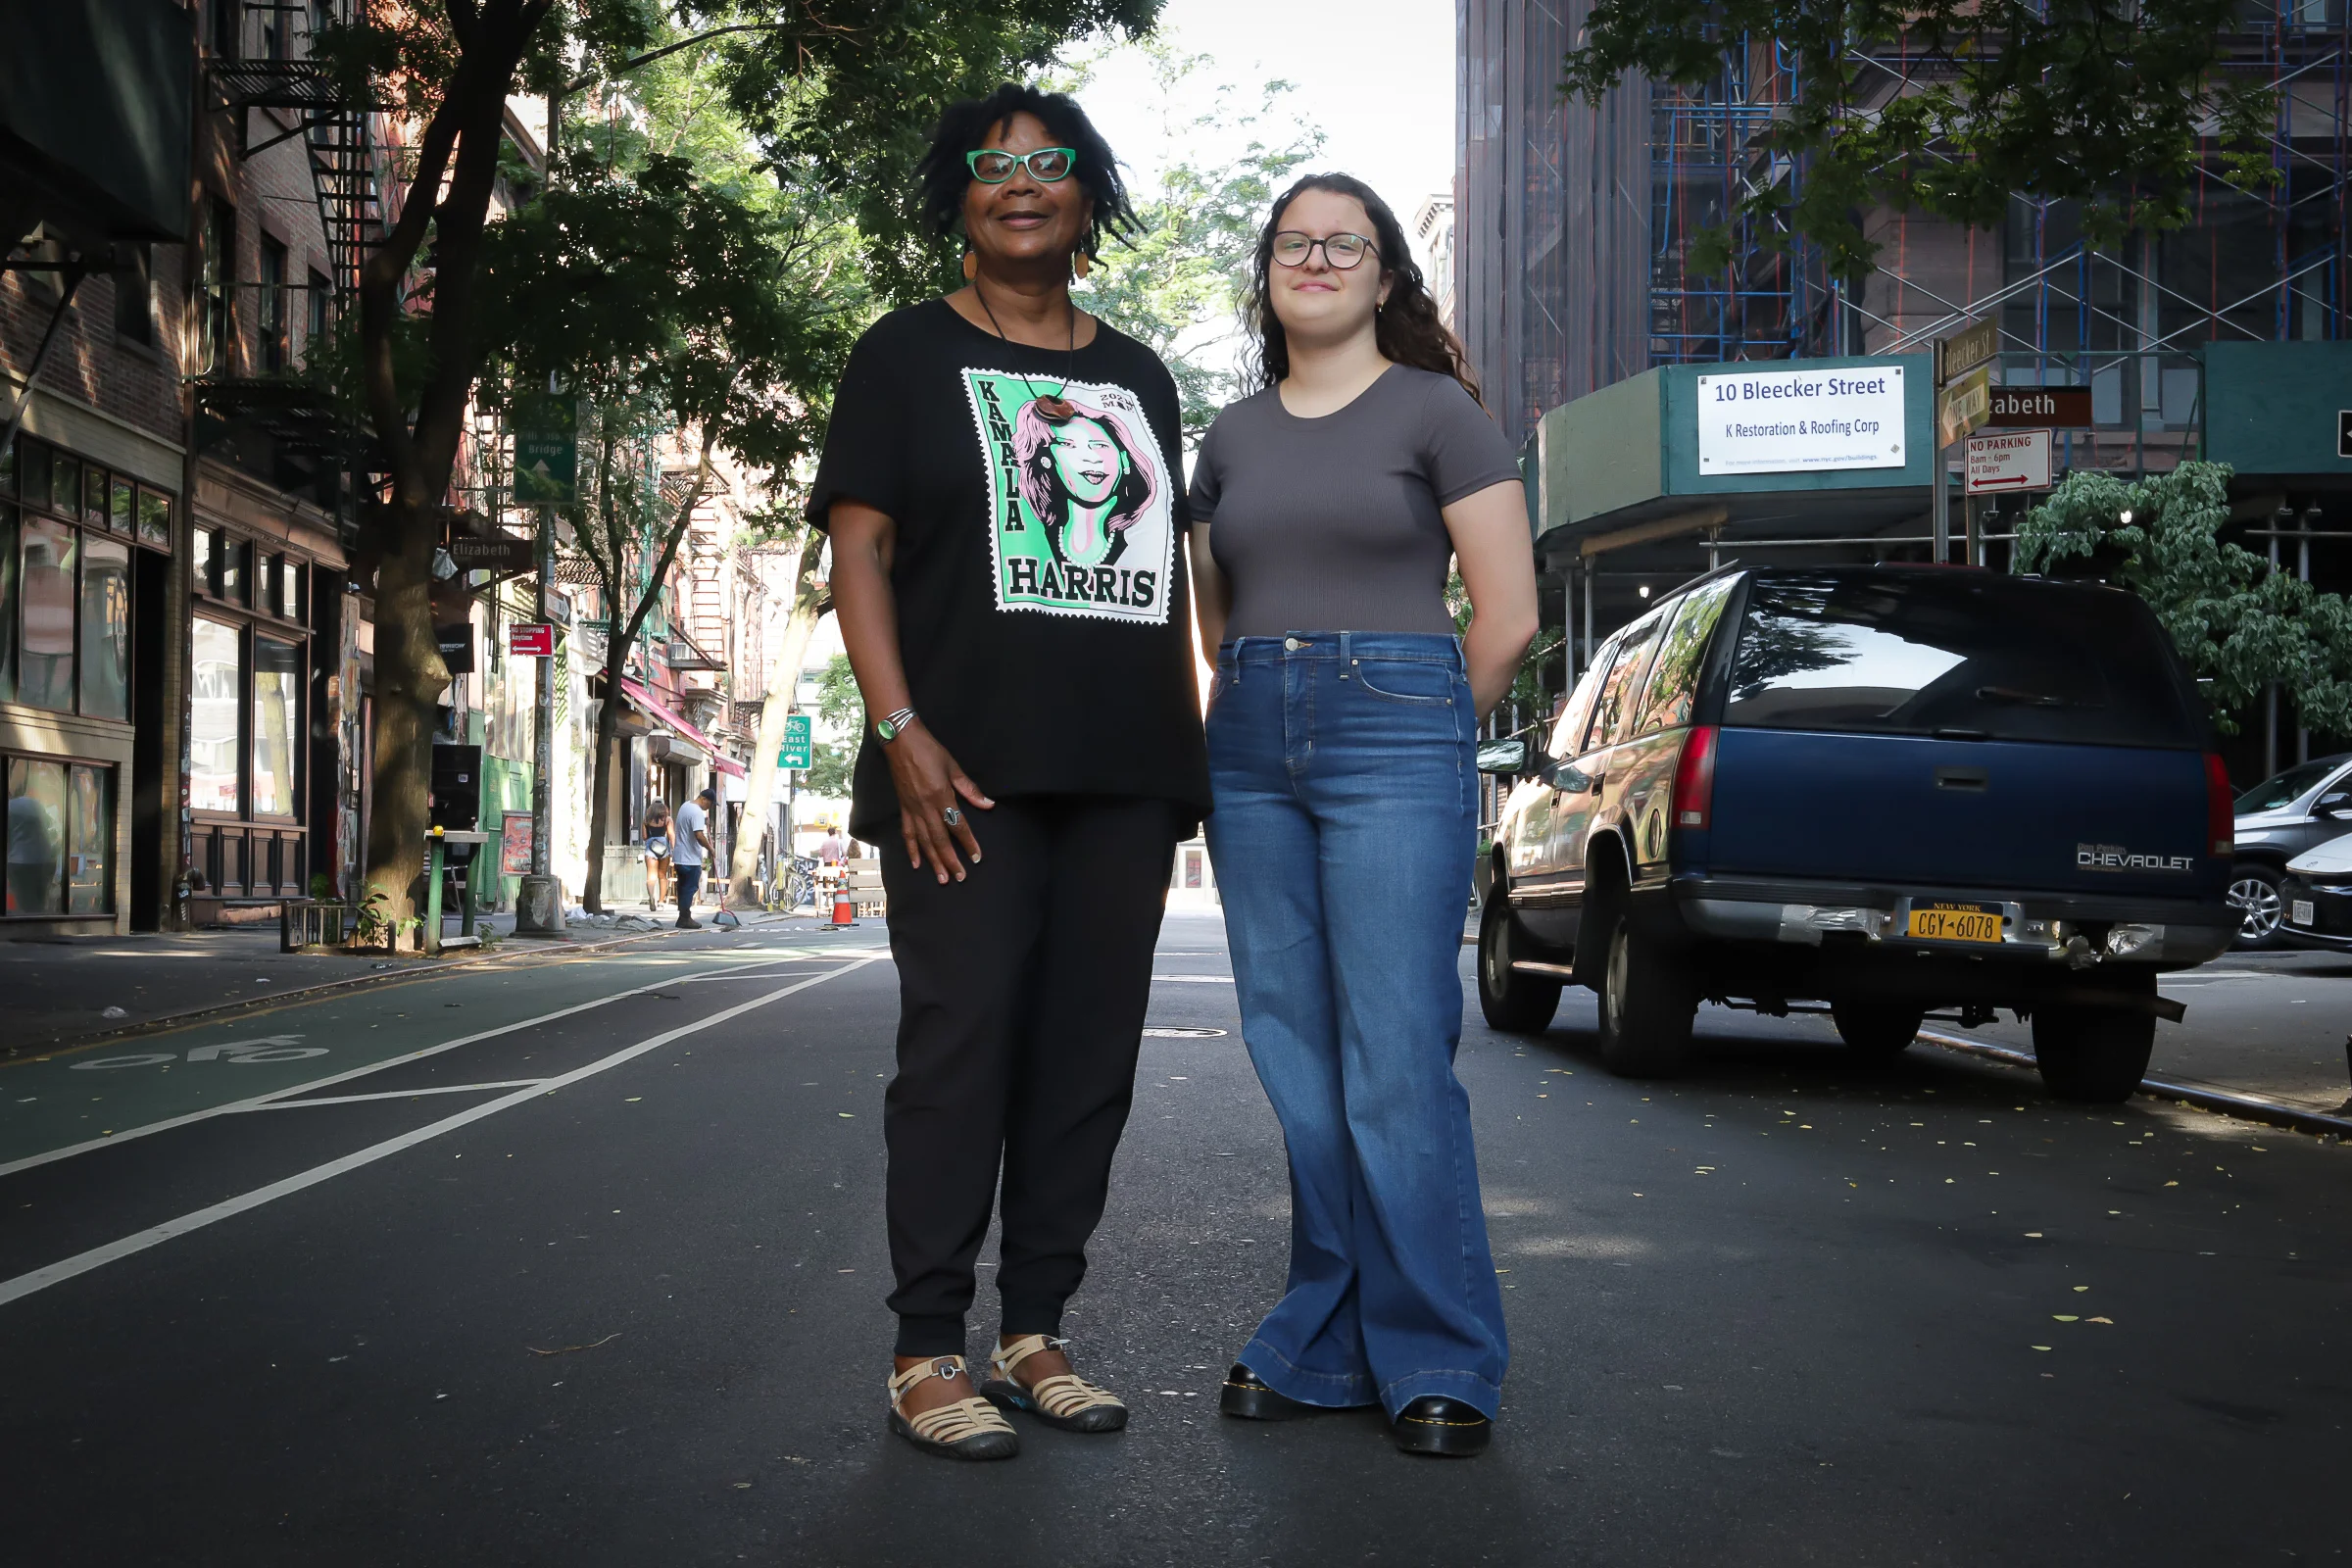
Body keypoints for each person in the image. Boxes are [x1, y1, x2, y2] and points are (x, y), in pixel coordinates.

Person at [808, 82, 1209, 1462]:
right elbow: (857, 553)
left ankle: (1036, 1329)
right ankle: (927, 1349)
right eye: (995, 167)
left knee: (1086, 1059)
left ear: (1088, 198)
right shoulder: (903, 356)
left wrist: (1192, 757)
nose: (1021, 184)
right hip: (959, 773)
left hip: (1126, 772)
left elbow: (1170, 583)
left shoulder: (1142, 375)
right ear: (961, 200)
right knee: (960, 1049)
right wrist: (897, 728)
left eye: (1050, 166)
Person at [1188, 172, 1540, 1457]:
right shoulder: (1227, 438)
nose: (1320, 259)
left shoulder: (1436, 411)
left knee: (1395, 1060)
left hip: (1396, 724)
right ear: (1269, 272)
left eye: (1347, 243)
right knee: (1298, 1058)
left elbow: (1506, 617)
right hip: (1254, 735)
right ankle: (1325, 1339)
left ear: (1386, 275)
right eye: (1296, 242)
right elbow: (1217, 621)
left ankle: (1441, 1351)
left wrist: (1424, 721)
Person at [670, 787, 712, 930]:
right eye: (709, 804)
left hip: (680, 856)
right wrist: (710, 849)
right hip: (690, 858)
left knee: (683, 887)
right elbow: (699, 835)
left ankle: (682, 915)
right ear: (704, 799)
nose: (708, 807)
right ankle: (685, 917)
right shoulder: (696, 812)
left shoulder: (685, 806)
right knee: (690, 887)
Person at [643, 802, 673, 911]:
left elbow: (645, 837)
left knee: (651, 876)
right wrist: (674, 848)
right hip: (664, 846)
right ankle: (661, 902)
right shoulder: (667, 820)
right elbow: (671, 834)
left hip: (651, 847)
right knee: (662, 876)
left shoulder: (646, 820)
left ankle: (651, 897)